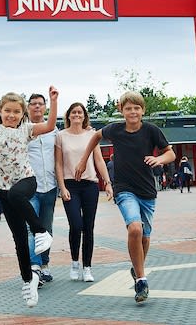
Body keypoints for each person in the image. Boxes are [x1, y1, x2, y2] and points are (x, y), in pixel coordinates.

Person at [74, 91, 175, 304]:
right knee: (135, 229)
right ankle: (141, 280)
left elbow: (170, 153)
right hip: (124, 189)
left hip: (147, 191)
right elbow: (96, 136)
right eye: (128, 108)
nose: (133, 112)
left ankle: (137, 269)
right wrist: (84, 161)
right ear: (121, 110)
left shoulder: (151, 131)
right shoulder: (115, 129)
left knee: (145, 237)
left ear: (143, 110)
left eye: (136, 108)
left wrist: (159, 159)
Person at [0, 86, 58, 308]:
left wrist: (54, 101)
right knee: (19, 239)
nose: (11, 115)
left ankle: (41, 231)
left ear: (22, 113)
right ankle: (28, 282)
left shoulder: (26, 129)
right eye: (8, 111)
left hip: (26, 181)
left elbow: (49, 125)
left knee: (18, 196)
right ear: (1, 111)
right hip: (2, 188)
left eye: (16, 112)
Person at [56, 102, 113, 283]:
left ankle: (87, 267)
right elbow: (57, 164)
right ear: (69, 116)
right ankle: (74, 262)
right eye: (74, 112)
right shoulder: (61, 136)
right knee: (76, 225)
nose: (77, 115)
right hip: (70, 185)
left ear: (84, 115)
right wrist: (62, 187)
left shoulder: (91, 135)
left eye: (80, 112)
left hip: (90, 185)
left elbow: (99, 161)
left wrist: (108, 183)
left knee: (89, 227)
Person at [26, 93, 58, 285]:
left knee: (47, 229)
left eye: (40, 104)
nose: (37, 107)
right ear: (28, 107)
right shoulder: (23, 130)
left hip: (50, 186)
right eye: (34, 104)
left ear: (45, 107)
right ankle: (34, 268)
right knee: (32, 229)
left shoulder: (54, 131)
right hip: (30, 188)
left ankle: (44, 265)